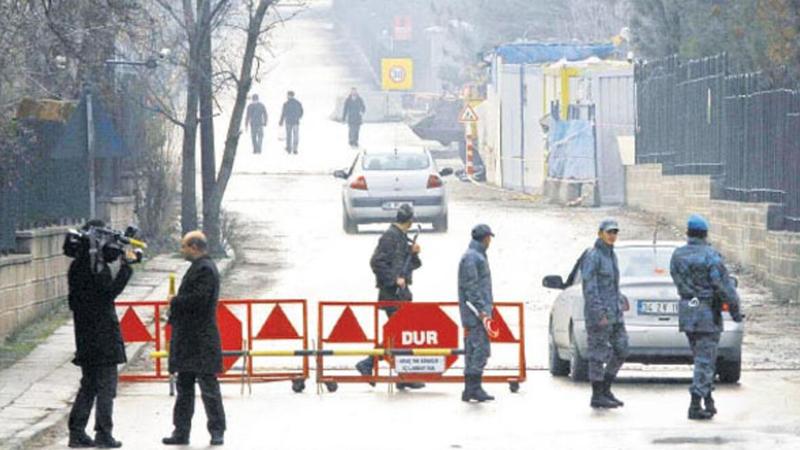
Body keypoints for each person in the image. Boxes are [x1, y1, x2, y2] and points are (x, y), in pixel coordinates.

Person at [66, 219, 133, 449]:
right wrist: (127, 268)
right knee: (106, 387)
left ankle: (76, 433)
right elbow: (108, 293)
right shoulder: (97, 267)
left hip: (84, 336)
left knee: (88, 385)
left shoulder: (76, 266)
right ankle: (104, 434)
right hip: (103, 336)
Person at [670, 214, 743, 420]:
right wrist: (735, 311)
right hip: (706, 313)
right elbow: (723, 286)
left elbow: (676, 280)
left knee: (702, 359)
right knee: (705, 360)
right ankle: (695, 403)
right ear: (705, 234)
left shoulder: (677, 255)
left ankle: (708, 400)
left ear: (688, 233)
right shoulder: (711, 256)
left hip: (687, 311)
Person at [163, 231, 226, 446]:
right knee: (185, 386)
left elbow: (199, 299)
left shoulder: (205, 269)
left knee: (208, 386)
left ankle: (217, 430)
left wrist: (175, 301)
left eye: (184, 247)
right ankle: (181, 431)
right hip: (190, 339)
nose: (183, 251)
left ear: (195, 247)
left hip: (201, 338)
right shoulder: (199, 267)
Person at [355, 204, 424, 389]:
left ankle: (394, 372)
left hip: (400, 293)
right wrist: (394, 280)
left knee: (399, 333)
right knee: (400, 332)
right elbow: (376, 262)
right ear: (410, 221)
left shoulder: (401, 237)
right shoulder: (390, 237)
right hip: (391, 293)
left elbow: (409, 264)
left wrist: (414, 254)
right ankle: (392, 371)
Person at [581, 218, 629, 409]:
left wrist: (620, 300)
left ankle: (606, 388)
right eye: (609, 232)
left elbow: (611, 285)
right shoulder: (594, 256)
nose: (612, 236)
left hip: (615, 314)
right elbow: (590, 287)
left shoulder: (611, 255)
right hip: (600, 315)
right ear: (600, 233)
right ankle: (597, 393)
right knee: (598, 354)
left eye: (615, 232)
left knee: (622, 349)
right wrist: (598, 312)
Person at [458, 224, 496, 403]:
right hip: (475, 314)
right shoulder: (473, 258)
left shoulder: (474, 255)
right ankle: (474, 388)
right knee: (479, 349)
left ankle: (470, 389)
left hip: (474, 312)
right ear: (486, 238)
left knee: (473, 350)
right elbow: (472, 288)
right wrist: (482, 310)